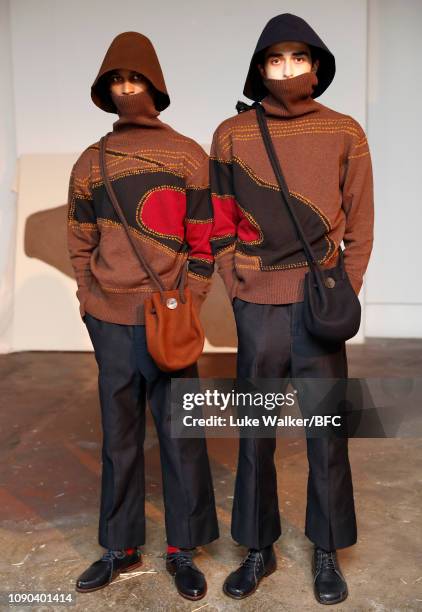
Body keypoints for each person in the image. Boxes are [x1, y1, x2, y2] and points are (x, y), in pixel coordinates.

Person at [210, 13, 374, 604]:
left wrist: (343, 286)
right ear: (260, 69)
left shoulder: (345, 131)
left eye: (298, 59)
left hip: (317, 303)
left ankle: (326, 549)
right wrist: (235, 283)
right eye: (275, 61)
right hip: (258, 303)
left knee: (325, 430)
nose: (287, 70)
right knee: (255, 431)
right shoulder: (232, 133)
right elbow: (220, 218)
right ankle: (259, 548)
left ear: (318, 65)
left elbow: (360, 221)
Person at [67, 31, 218, 601]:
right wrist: (88, 300)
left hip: (169, 317)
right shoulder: (90, 162)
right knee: (118, 437)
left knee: (182, 435)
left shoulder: (187, 155)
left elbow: (205, 241)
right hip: (110, 319)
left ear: (155, 87)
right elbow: (79, 241)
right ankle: (120, 545)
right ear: (106, 92)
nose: (127, 90)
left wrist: (192, 303)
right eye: (117, 82)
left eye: (135, 80)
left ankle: (184, 547)